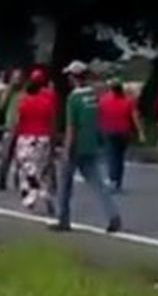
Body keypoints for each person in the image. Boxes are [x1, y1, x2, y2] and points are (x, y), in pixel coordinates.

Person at [51, 60, 121, 233]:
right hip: (92, 144)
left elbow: (71, 127)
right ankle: (113, 215)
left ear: (73, 78)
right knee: (98, 183)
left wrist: (66, 150)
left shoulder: (73, 99)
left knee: (65, 184)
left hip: (76, 146)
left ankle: (63, 219)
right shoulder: (94, 96)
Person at [13, 77, 57, 213]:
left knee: (25, 169)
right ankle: (45, 194)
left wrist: (15, 137)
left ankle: (31, 196)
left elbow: (19, 122)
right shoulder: (47, 103)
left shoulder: (24, 103)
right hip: (43, 138)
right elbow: (52, 123)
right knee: (41, 169)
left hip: (26, 138)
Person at [98, 78, 145, 192]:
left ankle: (113, 179)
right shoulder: (128, 101)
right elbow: (135, 117)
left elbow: (97, 115)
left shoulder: (103, 100)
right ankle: (117, 181)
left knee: (111, 156)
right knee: (119, 157)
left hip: (108, 131)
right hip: (124, 132)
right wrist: (141, 132)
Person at [0, 69, 26, 191]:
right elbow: (1, 105)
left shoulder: (26, 92)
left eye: (19, 77)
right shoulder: (9, 92)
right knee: (5, 156)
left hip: (23, 128)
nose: (17, 80)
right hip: (9, 127)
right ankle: (1, 181)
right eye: (15, 77)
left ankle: (19, 182)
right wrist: (9, 88)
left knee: (21, 157)